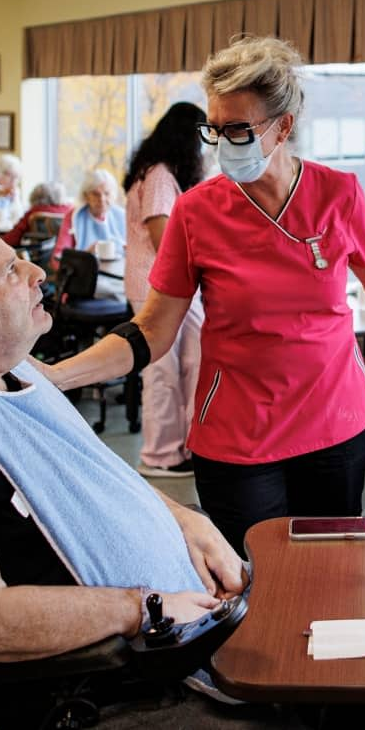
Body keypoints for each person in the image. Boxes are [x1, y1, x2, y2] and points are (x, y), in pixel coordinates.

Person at [44, 36, 365, 554]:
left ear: (283, 126)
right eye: (214, 129)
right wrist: (59, 376)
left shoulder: (338, 193)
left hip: (336, 424)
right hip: (240, 436)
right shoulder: (196, 212)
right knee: (254, 579)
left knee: (332, 571)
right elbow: (152, 329)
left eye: (238, 129)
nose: (222, 143)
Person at [0, 228, 246, 724]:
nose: (37, 273)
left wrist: (179, 518)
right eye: (9, 271)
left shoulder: (19, 378)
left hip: (168, 632)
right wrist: (145, 607)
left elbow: (99, 480)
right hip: (86, 682)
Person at [123, 102, 207, 478]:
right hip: (156, 287)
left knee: (192, 363)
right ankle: (160, 455)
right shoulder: (159, 175)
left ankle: (188, 446)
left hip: (161, 285)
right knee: (161, 372)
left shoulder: (156, 172)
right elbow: (163, 236)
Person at [51, 168, 127, 265]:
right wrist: (86, 256)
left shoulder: (121, 215)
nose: (102, 199)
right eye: (96, 194)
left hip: (118, 276)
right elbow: (56, 260)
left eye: (107, 193)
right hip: (85, 276)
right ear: (86, 196)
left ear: (113, 195)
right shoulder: (74, 217)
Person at [1, 179, 70, 247]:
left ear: (35, 196)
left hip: (41, 254)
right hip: (65, 253)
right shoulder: (70, 210)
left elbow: (12, 239)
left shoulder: (35, 212)